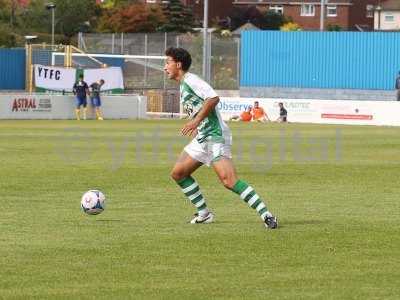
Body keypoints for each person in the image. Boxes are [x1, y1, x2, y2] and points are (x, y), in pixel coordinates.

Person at [164, 47, 278, 229]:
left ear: (178, 64)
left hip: (215, 136)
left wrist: (196, 121)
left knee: (229, 181)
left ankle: (267, 215)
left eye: (167, 62)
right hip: (203, 138)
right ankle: (204, 214)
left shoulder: (191, 80)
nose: (165, 67)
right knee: (178, 173)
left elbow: (213, 98)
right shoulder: (184, 84)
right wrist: (197, 126)